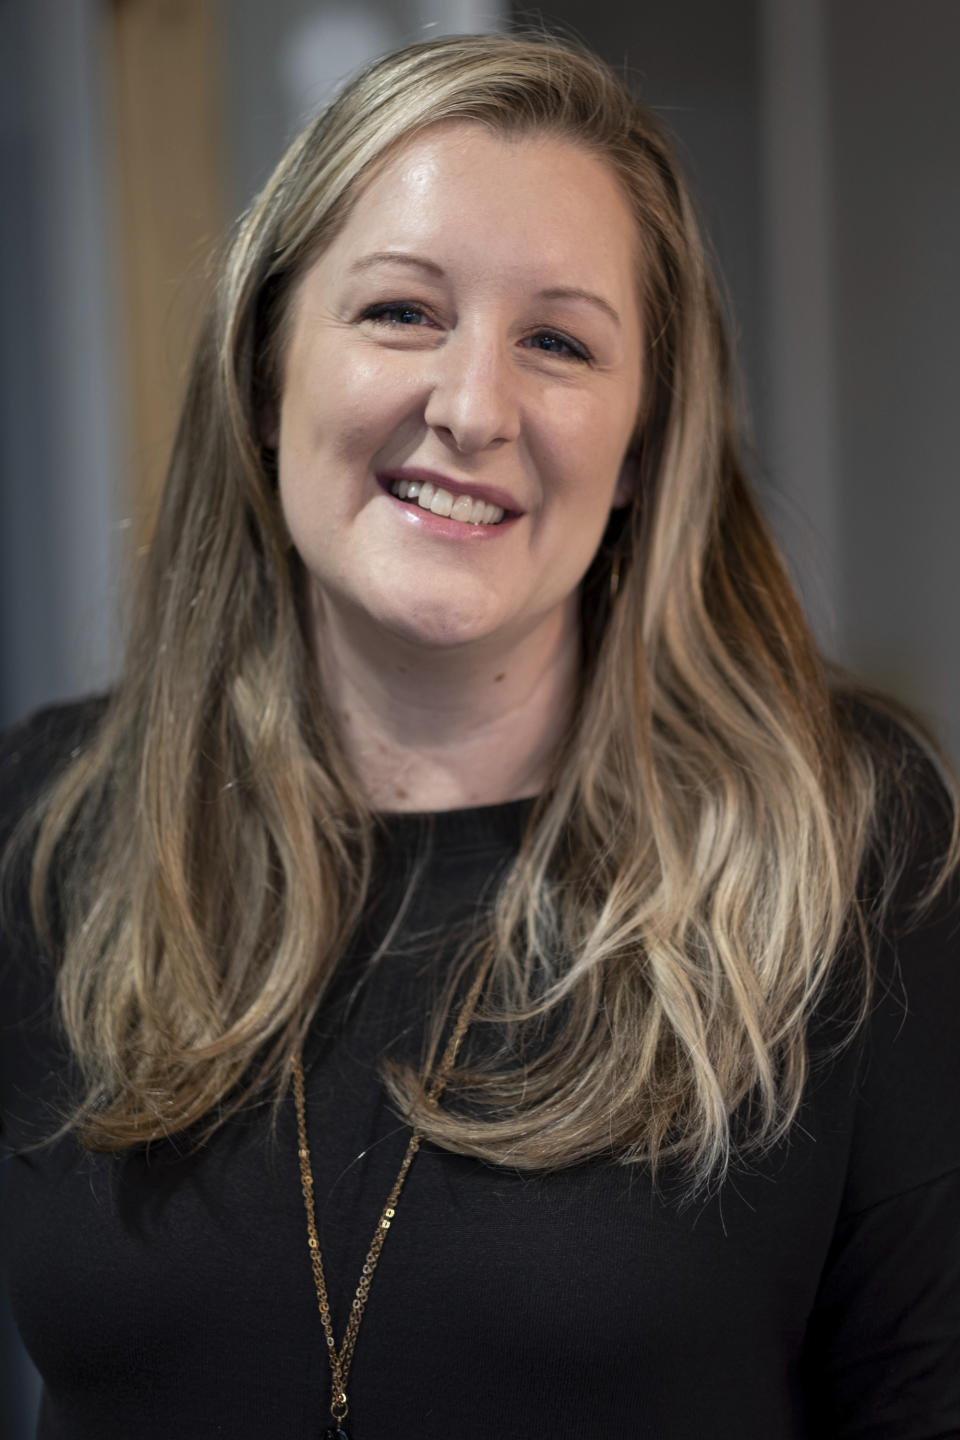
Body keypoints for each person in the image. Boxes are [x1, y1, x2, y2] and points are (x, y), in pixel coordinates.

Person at [2, 30, 958, 1440]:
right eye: (400, 313)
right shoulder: (53, 823)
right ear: (268, 364)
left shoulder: (851, 847)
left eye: (560, 343)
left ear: (642, 444)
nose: (470, 407)